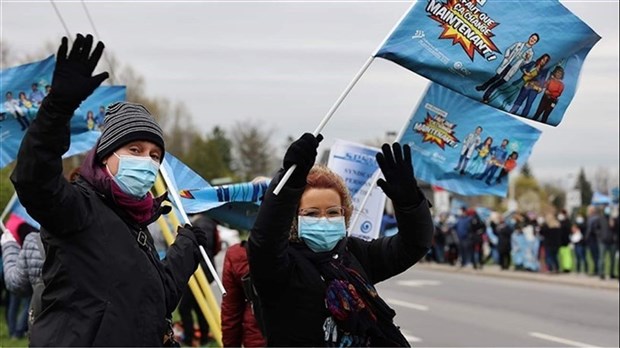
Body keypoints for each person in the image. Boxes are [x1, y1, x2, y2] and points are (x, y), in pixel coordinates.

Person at [10, 34, 208, 346]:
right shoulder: (77, 209)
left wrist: (186, 249)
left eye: (155, 156)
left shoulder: (137, 224)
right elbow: (34, 179)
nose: (146, 161)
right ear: (105, 156)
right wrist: (57, 109)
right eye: (134, 149)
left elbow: (152, 302)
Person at [248, 135, 433, 346]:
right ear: (294, 220)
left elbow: (414, 244)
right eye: (312, 214)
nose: (324, 220)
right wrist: (289, 182)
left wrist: (409, 202)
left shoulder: (353, 253)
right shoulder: (281, 266)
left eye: (333, 212)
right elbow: (264, 243)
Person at [178, 213, 220, 346]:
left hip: (199, 271)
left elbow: (204, 248)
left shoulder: (203, 221)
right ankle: (203, 336)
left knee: (185, 307)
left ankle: (190, 338)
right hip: (200, 270)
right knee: (198, 306)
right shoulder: (204, 220)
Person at [221, 240, 267, 347]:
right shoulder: (307, 247)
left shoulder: (237, 254)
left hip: (257, 337)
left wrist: (230, 345)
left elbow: (231, 310)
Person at [476, 33, 539, 103]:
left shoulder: (531, 53)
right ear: (529, 37)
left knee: (499, 83)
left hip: (512, 69)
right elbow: (509, 49)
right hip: (506, 64)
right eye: (532, 38)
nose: (532, 40)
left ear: (535, 43)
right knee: (495, 78)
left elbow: (525, 64)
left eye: (535, 40)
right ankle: (483, 87)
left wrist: (527, 59)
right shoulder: (519, 44)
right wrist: (506, 57)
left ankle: (486, 96)